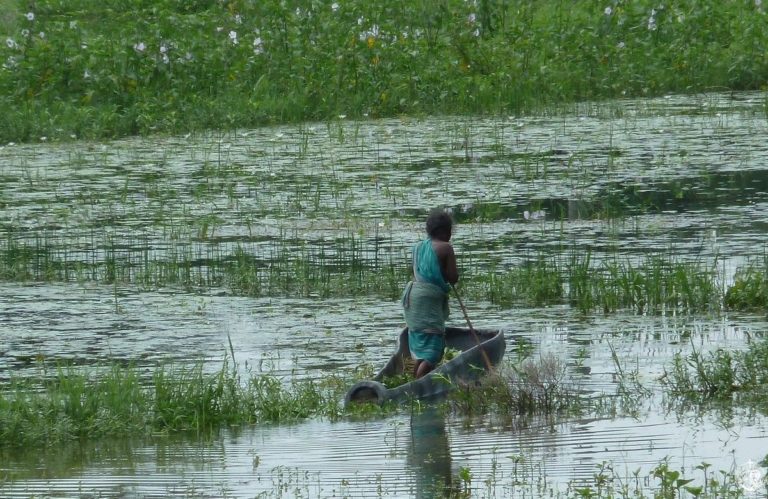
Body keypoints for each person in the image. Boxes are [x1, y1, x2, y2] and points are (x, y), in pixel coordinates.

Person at [401, 209, 459, 379]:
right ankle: (419, 383)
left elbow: (421, 272)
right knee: (433, 350)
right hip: (428, 298)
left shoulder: (417, 247)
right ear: (444, 231)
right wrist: (446, 275)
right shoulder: (446, 248)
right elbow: (453, 278)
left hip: (411, 296)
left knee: (421, 337)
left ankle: (416, 378)